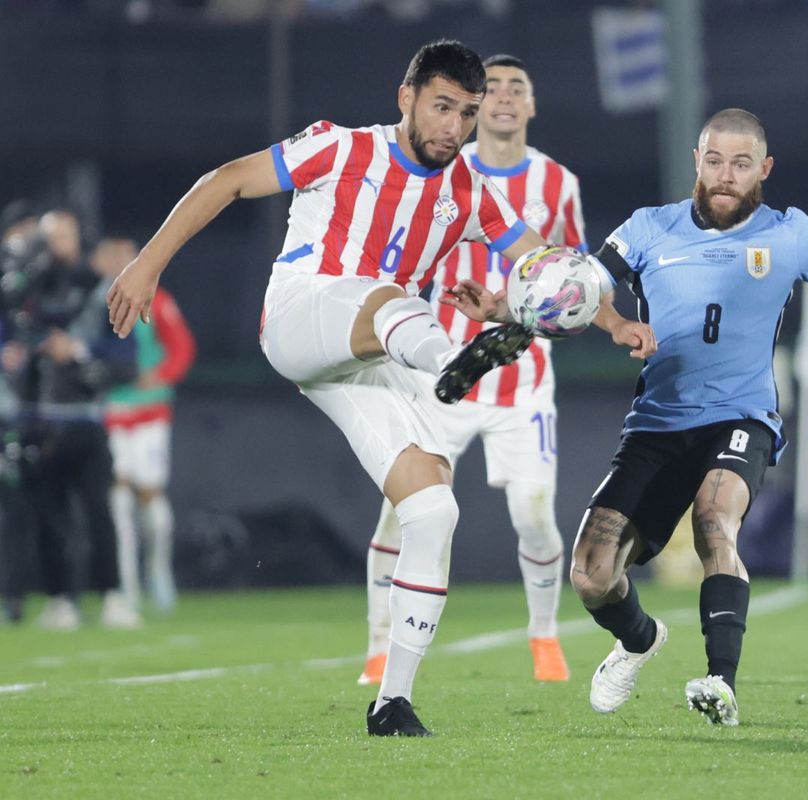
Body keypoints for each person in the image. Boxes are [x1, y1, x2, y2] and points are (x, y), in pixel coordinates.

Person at [105, 39, 653, 737]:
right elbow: (227, 179)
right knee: (391, 297)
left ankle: (392, 701)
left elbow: (542, 264)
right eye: (442, 106)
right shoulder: (339, 147)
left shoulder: (467, 192)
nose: (454, 127)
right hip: (303, 316)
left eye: (467, 112)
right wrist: (147, 265)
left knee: (432, 512)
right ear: (407, 98)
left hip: (372, 355)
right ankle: (460, 358)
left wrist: (611, 321)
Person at [567, 108, 808, 727]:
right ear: (697, 161)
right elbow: (578, 289)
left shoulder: (789, 235)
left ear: (763, 169)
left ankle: (720, 681)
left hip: (742, 416)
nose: (725, 175)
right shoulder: (649, 229)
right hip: (657, 423)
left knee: (717, 520)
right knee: (592, 575)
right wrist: (527, 308)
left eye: (741, 164)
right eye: (714, 160)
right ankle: (638, 639)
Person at [359, 53, 584, 686]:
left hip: (523, 378)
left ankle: (544, 637)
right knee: (399, 511)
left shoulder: (557, 184)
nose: (507, 98)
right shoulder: (437, 172)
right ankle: (378, 647)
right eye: (497, 89)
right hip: (442, 375)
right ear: (476, 103)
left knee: (534, 516)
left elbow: (572, 274)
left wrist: (598, 320)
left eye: (521, 86)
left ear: (532, 106)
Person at [3, 210, 142, 630]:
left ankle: (112, 595)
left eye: (65, 235)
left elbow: (125, 359)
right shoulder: (22, 290)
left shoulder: (100, 287)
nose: (57, 245)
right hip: (38, 420)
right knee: (47, 515)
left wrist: (78, 351)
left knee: (98, 511)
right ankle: (60, 598)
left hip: (84, 418)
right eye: (51, 237)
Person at [92, 237, 196, 613]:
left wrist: (161, 375)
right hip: (112, 411)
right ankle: (125, 584)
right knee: (117, 496)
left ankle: (158, 570)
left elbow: (182, 346)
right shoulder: (90, 303)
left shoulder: (159, 300)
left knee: (150, 495)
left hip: (150, 412)